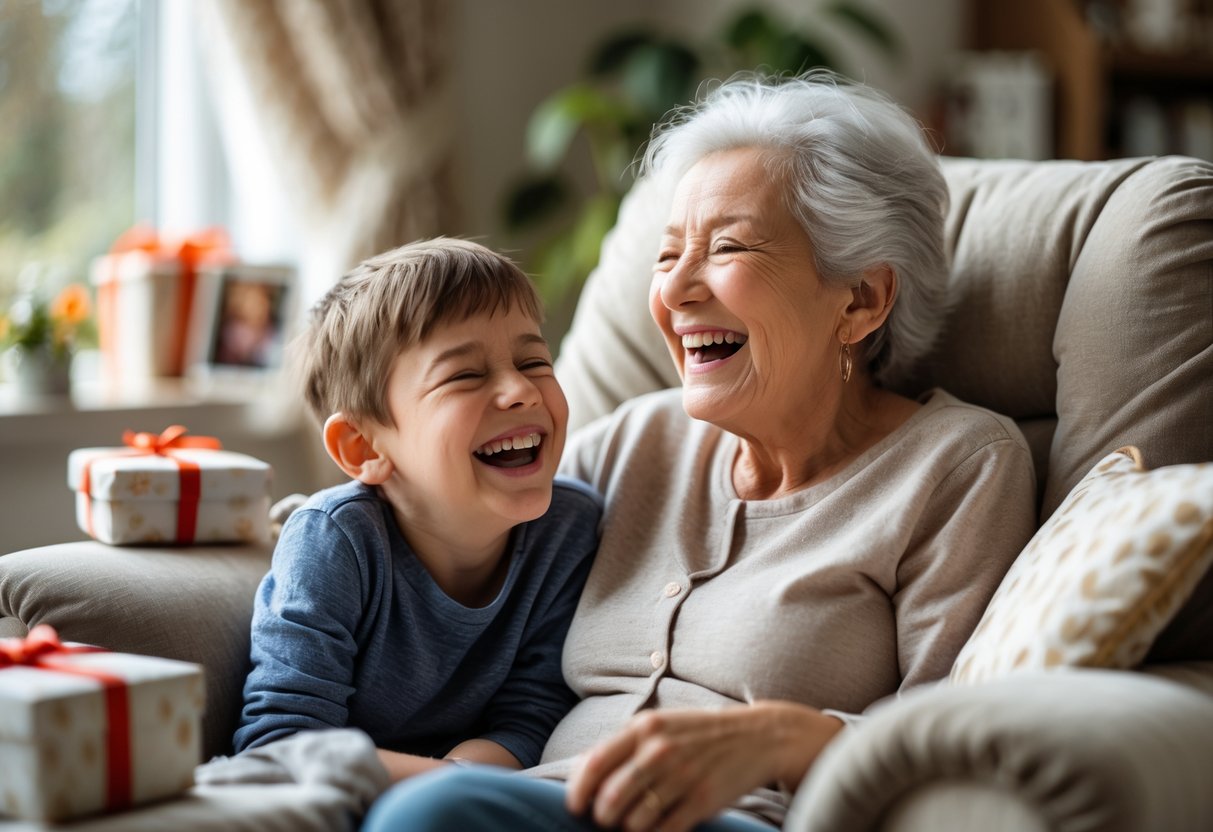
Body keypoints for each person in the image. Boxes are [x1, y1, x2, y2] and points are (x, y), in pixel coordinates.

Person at [362, 71, 1039, 832]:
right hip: (536, 801)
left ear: (860, 299)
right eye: (666, 255)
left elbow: (950, 736)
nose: (677, 290)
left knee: (433, 811)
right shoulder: (632, 441)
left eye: (726, 247)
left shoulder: (956, 464)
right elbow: (448, 547)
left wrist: (783, 737)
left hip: (742, 819)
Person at [234, 238, 601, 782]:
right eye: (465, 375)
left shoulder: (570, 530)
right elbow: (282, 742)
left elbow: (534, 714)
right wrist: (446, 783)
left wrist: (457, 787)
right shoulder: (335, 541)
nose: (521, 390)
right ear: (365, 448)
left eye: (533, 360)